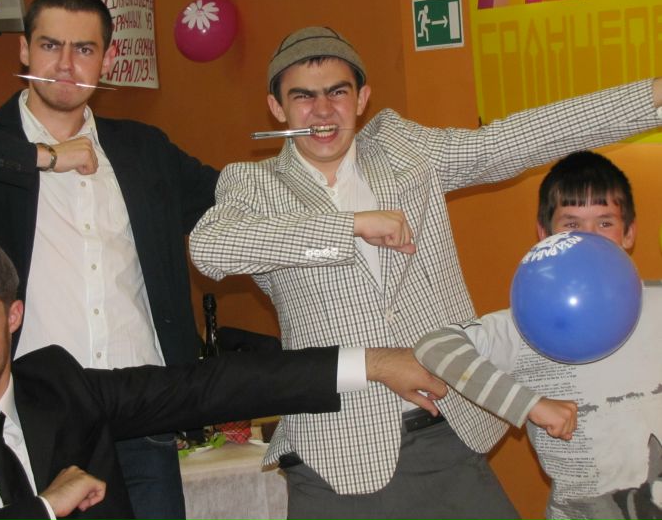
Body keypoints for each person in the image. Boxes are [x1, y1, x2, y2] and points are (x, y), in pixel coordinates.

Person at [189, 26, 662, 519]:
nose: (323, 111)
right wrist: (350, 225)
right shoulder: (253, 184)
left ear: (362, 98)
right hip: (337, 454)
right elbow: (211, 248)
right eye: (303, 97)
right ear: (276, 107)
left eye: (337, 92)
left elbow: (509, 141)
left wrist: (651, 96)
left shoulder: (403, 150)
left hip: (447, 432)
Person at [0, 0, 218, 519]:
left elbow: (231, 202)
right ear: (24, 49)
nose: (65, 65)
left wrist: (341, 209)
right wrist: (41, 156)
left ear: (106, 59)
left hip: (142, 414)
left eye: (83, 49)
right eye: (49, 46)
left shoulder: (143, 148)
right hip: (30, 420)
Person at [0, 236, 447, 520]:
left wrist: (371, 363)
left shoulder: (62, 390)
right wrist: (44, 509)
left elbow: (205, 388)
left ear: (13, 318)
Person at [415, 151, 662, 520]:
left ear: (629, 234)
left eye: (605, 222)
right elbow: (435, 346)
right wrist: (529, 404)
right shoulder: (523, 325)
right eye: (571, 224)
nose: (588, 239)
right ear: (543, 235)